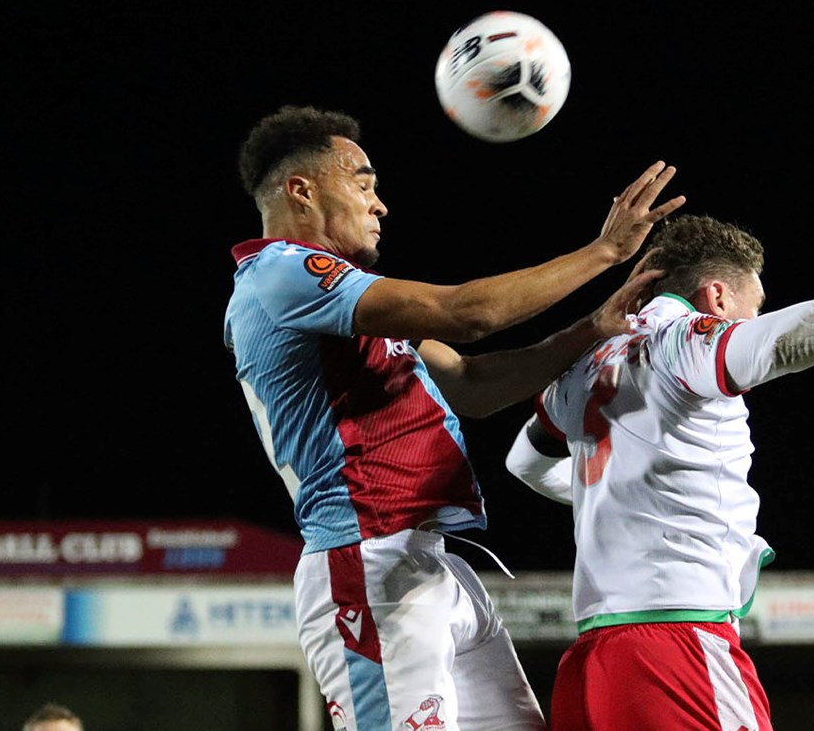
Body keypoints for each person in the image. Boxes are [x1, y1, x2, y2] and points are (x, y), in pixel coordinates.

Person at [223, 104, 683, 731]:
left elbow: (473, 383)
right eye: (362, 182)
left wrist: (590, 330)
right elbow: (468, 313)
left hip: (430, 565)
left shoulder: (348, 300)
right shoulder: (281, 275)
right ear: (301, 190)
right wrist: (603, 252)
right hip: (367, 568)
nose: (379, 203)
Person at [503, 213, 814, 731]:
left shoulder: (590, 360)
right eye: (755, 306)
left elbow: (523, 462)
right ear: (718, 298)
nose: (753, 318)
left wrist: (616, 494)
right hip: (678, 650)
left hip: (591, 661)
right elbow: (782, 342)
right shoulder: (686, 340)